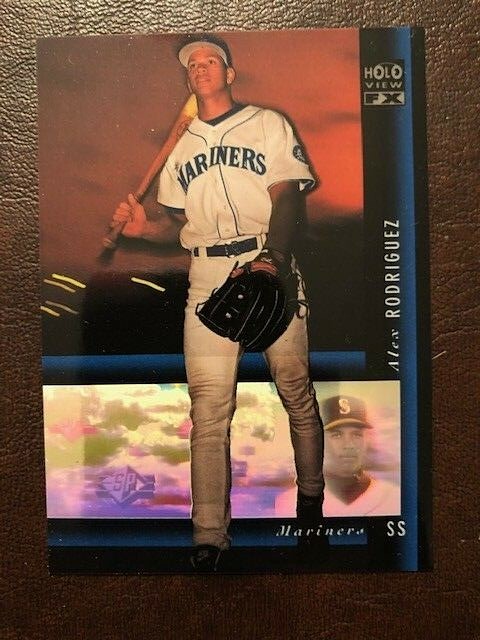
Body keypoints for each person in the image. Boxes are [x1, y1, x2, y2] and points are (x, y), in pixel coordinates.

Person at [112, 34, 325, 570]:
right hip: (207, 274)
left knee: (296, 392)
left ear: (230, 74)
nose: (201, 67)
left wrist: (274, 259)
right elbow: (176, 226)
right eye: (193, 64)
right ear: (189, 79)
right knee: (208, 410)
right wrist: (143, 229)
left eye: (212, 60)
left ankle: (311, 503)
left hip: (267, 260)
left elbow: (286, 194)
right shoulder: (180, 145)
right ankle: (209, 536)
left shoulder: (268, 123)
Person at [321, 395, 400, 516]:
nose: (349, 445)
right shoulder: (292, 502)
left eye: (357, 434)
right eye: (337, 435)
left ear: (366, 440)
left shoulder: (395, 498)